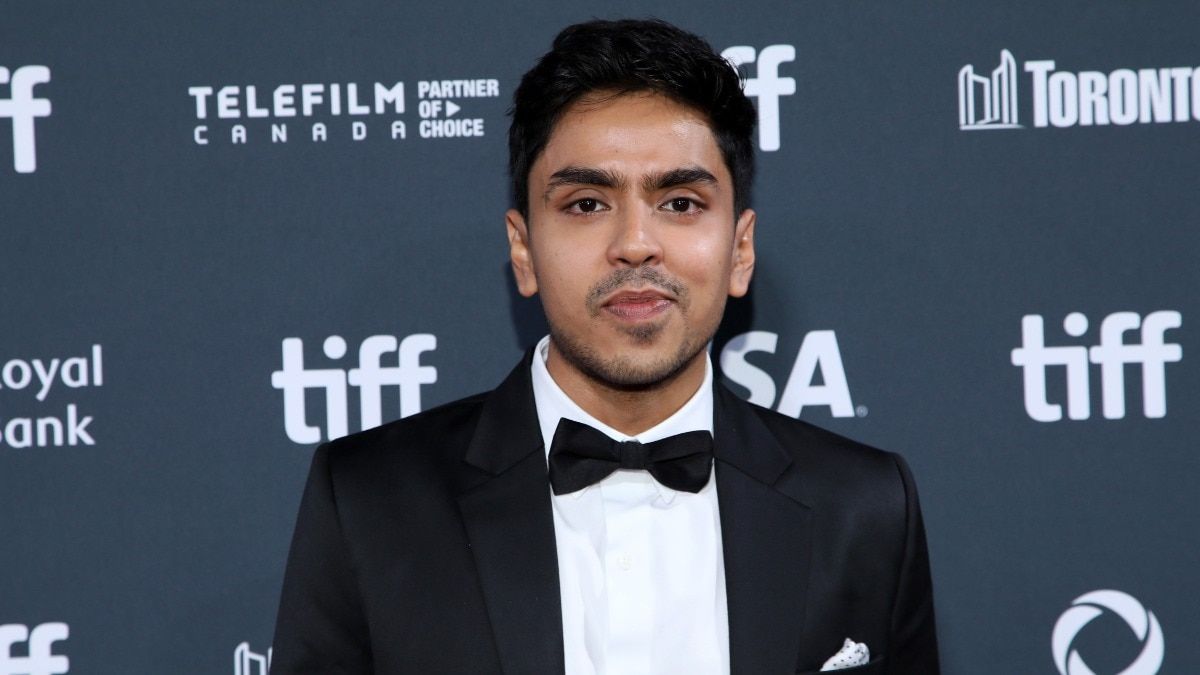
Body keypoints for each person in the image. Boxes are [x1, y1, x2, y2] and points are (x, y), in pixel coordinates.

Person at [271, 18, 938, 675]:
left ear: (740, 250)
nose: (635, 244)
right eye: (587, 204)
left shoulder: (865, 508)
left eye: (680, 203)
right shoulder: (369, 501)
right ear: (523, 251)